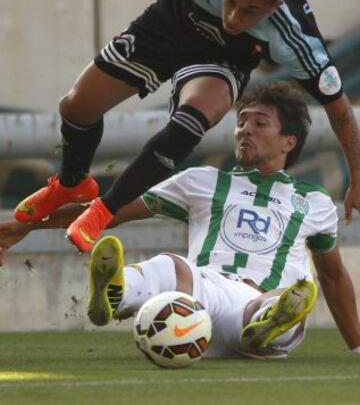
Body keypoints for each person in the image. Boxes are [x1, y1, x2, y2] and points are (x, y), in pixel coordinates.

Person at [13, 0, 360, 256]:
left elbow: (339, 108)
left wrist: (358, 173)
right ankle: (72, 182)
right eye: (231, 0)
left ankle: (102, 211)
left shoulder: (295, 37)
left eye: (250, 12)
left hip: (220, 60)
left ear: (274, 7)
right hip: (165, 28)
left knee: (188, 123)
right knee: (76, 106)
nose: (234, 17)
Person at [2, 82, 360, 356]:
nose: (244, 130)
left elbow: (332, 274)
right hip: (200, 302)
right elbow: (108, 212)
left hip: (263, 297)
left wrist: (356, 345)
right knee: (167, 265)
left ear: (289, 141)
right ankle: (115, 293)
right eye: (241, 122)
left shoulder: (314, 202)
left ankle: (265, 321)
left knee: (292, 297)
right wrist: (26, 224)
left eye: (259, 123)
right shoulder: (202, 181)